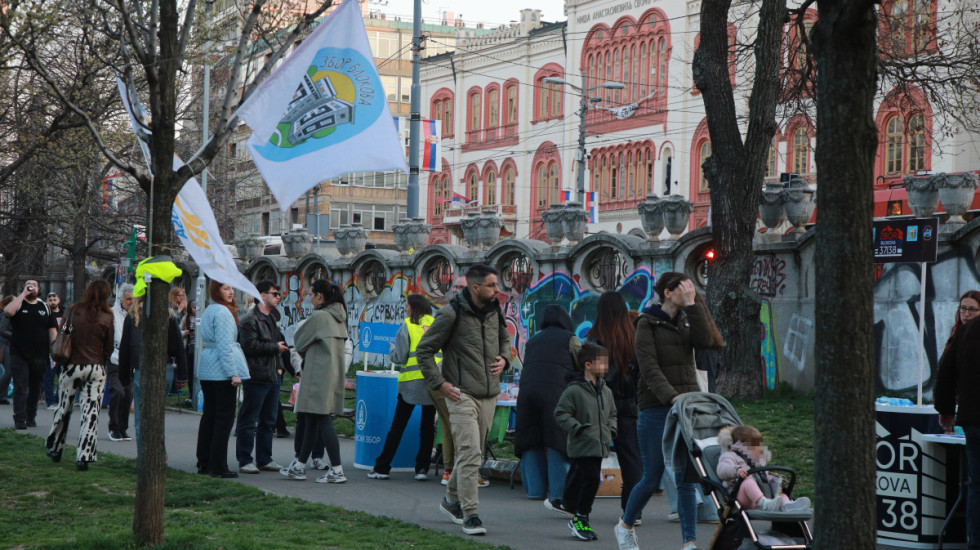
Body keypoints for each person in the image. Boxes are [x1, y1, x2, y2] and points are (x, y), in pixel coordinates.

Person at [615, 272, 713, 550]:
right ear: (667, 293)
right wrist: (672, 398)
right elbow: (649, 368)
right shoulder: (646, 323)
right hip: (656, 408)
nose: (687, 291)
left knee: (685, 479)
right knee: (651, 475)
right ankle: (625, 526)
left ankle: (689, 542)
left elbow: (705, 343)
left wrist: (693, 306)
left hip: (685, 408)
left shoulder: (686, 319)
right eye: (682, 288)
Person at [417, 264, 510, 537]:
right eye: (492, 286)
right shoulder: (450, 314)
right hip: (460, 394)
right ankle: (470, 514)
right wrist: (440, 383)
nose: (497, 290)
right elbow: (424, 351)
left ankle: (450, 500)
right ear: (475, 287)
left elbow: (505, 339)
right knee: (469, 453)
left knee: (474, 453)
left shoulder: (495, 311)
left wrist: (504, 358)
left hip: (489, 394)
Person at [280, 280, 348, 484]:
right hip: (331, 373)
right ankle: (300, 466)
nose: (309, 298)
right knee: (311, 420)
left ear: (320, 296)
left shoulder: (320, 316)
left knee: (322, 420)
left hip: (317, 375)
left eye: (311, 294)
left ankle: (337, 470)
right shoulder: (339, 317)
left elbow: (298, 341)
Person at [44, 280, 114, 471]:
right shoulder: (107, 316)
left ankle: (55, 447)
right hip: (96, 367)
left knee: (63, 408)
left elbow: (64, 334)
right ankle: (84, 455)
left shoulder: (73, 310)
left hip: (73, 365)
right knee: (90, 413)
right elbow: (109, 346)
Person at [514, 304, 579, 511]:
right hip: (556, 393)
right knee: (556, 438)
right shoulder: (570, 338)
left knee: (531, 437)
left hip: (527, 393)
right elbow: (581, 362)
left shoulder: (532, 341)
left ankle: (535, 490)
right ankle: (559, 493)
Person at [368, 294, 438, 481]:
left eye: (406, 305)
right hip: (434, 382)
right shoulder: (437, 324)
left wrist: (392, 348)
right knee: (428, 427)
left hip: (411, 384)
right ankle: (422, 469)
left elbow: (399, 357)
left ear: (413, 307)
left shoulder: (408, 325)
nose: (405, 308)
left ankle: (382, 467)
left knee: (398, 426)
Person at [586, 291, 642, 521]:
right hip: (628, 402)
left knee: (589, 457)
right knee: (631, 458)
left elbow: (588, 373)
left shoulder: (595, 338)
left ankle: (579, 507)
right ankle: (632, 510)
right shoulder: (634, 337)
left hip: (600, 403)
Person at [554, 342, 617, 541]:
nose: (606, 366)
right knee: (590, 479)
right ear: (588, 365)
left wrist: (611, 430)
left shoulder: (606, 391)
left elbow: (613, 414)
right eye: (602, 362)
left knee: (587, 480)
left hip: (600, 445)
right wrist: (577, 428)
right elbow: (561, 413)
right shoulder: (574, 391)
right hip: (582, 444)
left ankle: (577, 512)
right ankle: (580, 517)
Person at [935, 290, 980, 550]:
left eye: (971, 309)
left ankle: (974, 541)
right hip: (972, 418)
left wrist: (945, 410)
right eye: (963, 308)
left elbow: (945, 376)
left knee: (976, 483)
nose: (966, 314)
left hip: (972, 420)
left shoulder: (961, 335)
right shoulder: (962, 334)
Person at [196, 281, 249, 479]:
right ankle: (218, 466)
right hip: (221, 371)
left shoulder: (210, 309)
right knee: (223, 420)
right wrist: (233, 373)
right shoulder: (224, 313)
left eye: (231, 288)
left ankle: (204, 461)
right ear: (216, 290)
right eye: (226, 288)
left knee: (209, 416)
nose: (231, 291)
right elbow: (225, 346)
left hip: (208, 368)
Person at [236, 280, 288, 475]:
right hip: (257, 375)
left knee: (269, 420)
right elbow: (249, 346)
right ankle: (245, 459)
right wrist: (275, 348)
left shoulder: (271, 318)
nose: (278, 297)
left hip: (273, 375)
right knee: (249, 419)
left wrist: (280, 368)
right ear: (262, 295)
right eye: (275, 294)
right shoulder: (251, 319)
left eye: (278, 294)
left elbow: (278, 345)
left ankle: (265, 458)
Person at [119, 293, 187, 439]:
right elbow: (178, 345)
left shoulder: (133, 317)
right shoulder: (168, 315)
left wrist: (124, 375)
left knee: (141, 414)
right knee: (156, 412)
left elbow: (125, 347)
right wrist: (182, 373)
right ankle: (155, 443)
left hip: (141, 367)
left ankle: (144, 449)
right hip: (164, 365)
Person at [715, 425, 811, 512]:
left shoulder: (758, 459)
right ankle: (765, 504)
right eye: (755, 445)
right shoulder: (730, 455)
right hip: (742, 496)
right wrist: (736, 470)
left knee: (779, 491)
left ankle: (787, 505)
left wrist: (774, 480)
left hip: (763, 493)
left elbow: (763, 476)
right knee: (748, 481)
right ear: (741, 445)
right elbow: (722, 469)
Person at [4, 279, 58, 429]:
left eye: (35, 285)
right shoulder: (19, 304)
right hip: (19, 353)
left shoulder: (45, 307)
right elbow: (8, 311)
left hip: (40, 355)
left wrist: (54, 349)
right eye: (29, 285)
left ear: (39, 289)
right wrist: (23, 294)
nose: (32, 287)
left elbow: (52, 331)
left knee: (35, 387)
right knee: (20, 386)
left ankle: (30, 416)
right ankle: (19, 419)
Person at [107, 285, 135, 441]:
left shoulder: (135, 315)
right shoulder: (111, 314)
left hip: (129, 361)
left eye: (133, 299)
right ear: (120, 299)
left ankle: (123, 428)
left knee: (128, 394)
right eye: (128, 299)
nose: (131, 302)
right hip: (114, 358)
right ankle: (114, 427)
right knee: (118, 391)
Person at [693, 293, 725, 393]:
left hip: (701, 396)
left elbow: (705, 376)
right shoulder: (711, 336)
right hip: (706, 393)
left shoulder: (702, 342)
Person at [42, 291, 65, 410]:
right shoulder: (44, 314)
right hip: (49, 350)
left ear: (59, 300)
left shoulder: (64, 313)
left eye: (54, 300)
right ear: (47, 301)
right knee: (49, 376)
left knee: (62, 376)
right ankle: (50, 401)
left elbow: (69, 329)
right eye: (50, 300)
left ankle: (59, 400)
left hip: (62, 349)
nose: (52, 302)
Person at [0, 296, 13, 405]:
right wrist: (15, 335)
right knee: (9, 370)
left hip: (8, 344)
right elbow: (2, 330)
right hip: (5, 345)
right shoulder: (6, 315)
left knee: (8, 371)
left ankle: (2, 396)